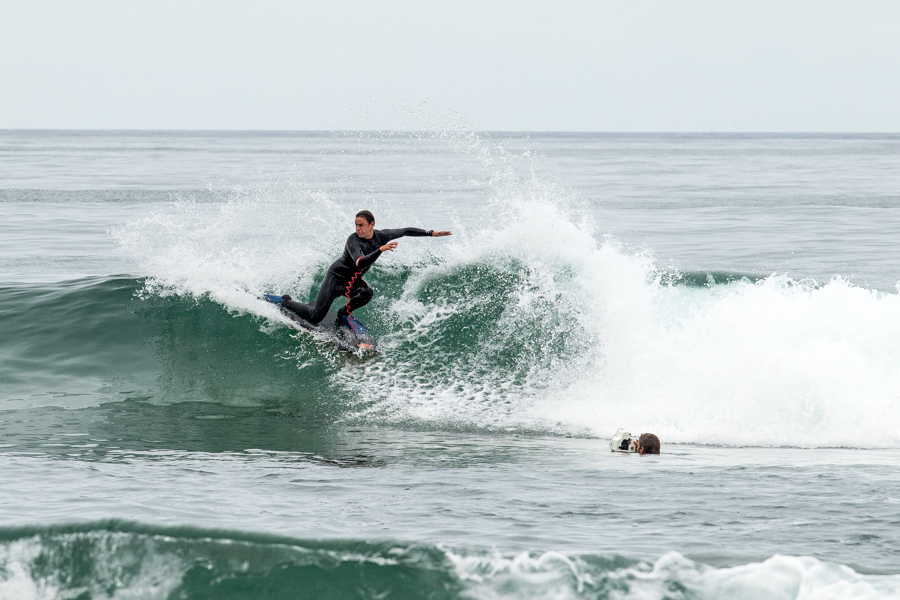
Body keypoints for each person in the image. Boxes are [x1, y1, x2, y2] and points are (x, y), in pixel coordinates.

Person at [281, 210, 451, 327]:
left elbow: (406, 230)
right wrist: (380, 250)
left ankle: (342, 314)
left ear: (372, 224)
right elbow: (360, 262)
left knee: (366, 292)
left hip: (350, 282)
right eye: (356, 225)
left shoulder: (382, 236)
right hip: (336, 279)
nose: (357, 229)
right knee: (315, 317)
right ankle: (286, 302)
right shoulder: (353, 241)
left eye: (361, 225)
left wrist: (431, 233)